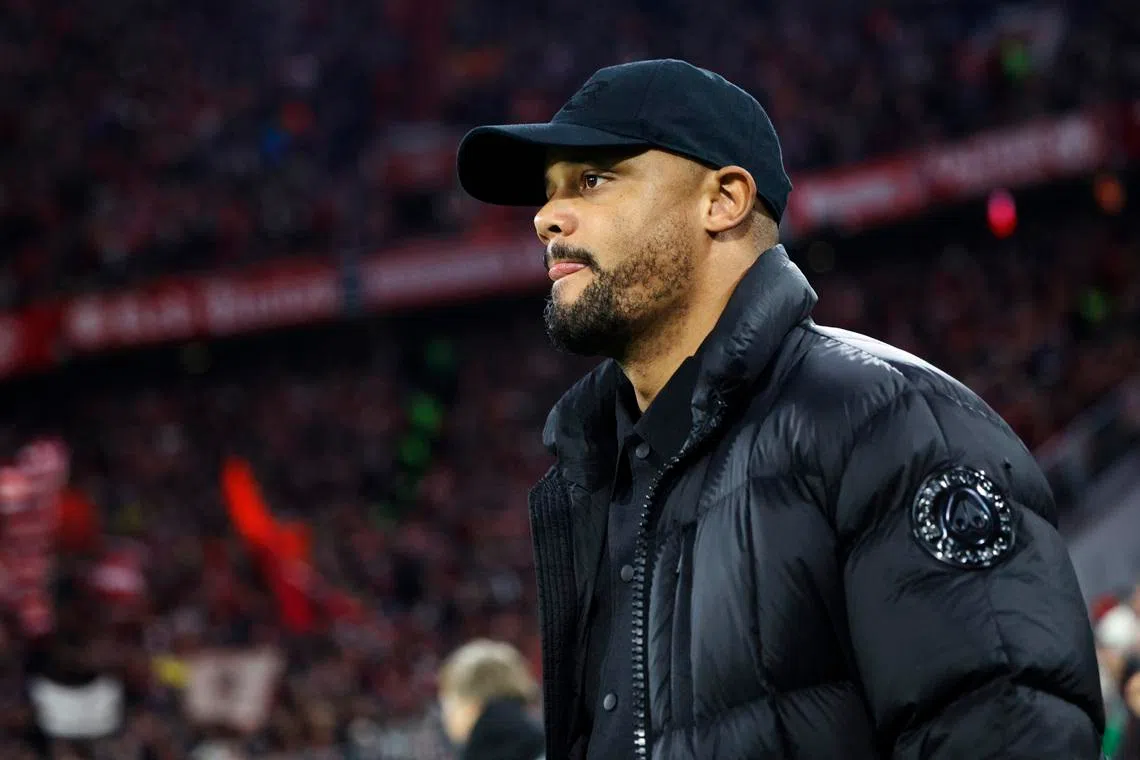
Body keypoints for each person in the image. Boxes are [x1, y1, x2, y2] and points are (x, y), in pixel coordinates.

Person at [455, 59, 1105, 759]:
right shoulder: (604, 477)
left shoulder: (890, 424)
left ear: (723, 200)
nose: (546, 217)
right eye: (548, 192)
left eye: (593, 178)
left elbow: (1008, 733)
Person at [437, 639, 545, 760]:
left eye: (447, 700)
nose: (445, 713)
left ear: (471, 702)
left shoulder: (484, 749)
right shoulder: (544, 740)